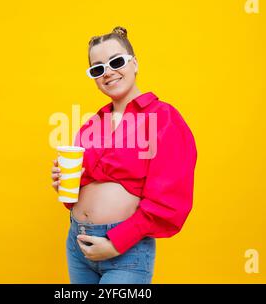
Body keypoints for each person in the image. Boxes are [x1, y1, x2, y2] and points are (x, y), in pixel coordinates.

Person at [51, 26, 198, 284]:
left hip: (125, 250)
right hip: (77, 244)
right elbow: (80, 191)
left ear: (135, 63)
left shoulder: (163, 118)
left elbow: (169, 201)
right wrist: (64, 183)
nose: (108, 72)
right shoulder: (91, 125)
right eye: (98, 69)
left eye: (116, 61)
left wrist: (116, 243)